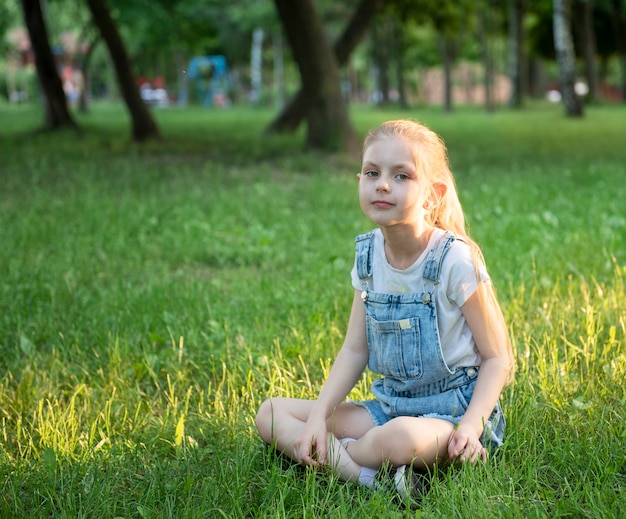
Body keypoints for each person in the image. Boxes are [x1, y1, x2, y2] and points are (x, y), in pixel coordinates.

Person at [255, 119, 514, 501]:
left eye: (402, 175)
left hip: (453, 415)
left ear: (432, 195)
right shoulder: (369, 258)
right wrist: (316, 416)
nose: (383, 184)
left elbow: (498, 358)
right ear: (359, 179)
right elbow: (355, 351)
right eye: (373, 173)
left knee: (399, 438)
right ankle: (368, 478)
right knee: (271, 413)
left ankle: (335, 460)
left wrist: (472, 425)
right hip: (391, 405)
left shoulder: (454, 259)